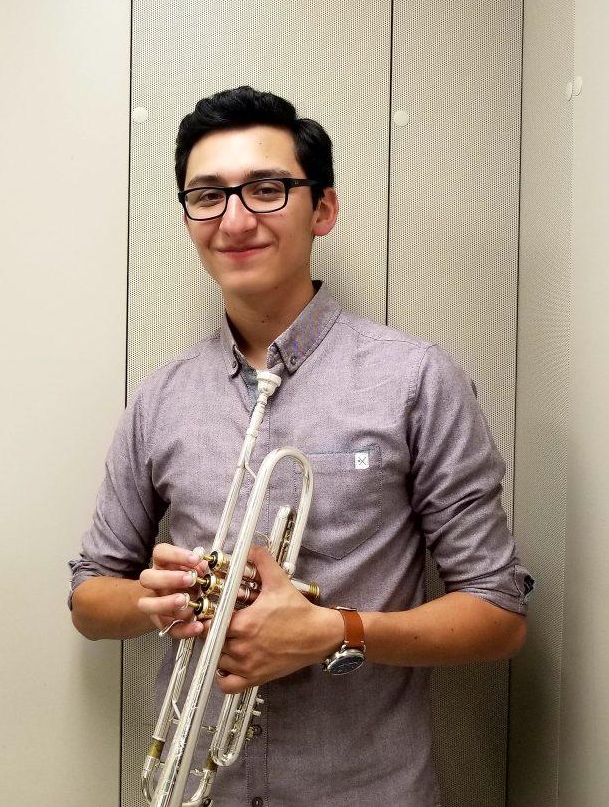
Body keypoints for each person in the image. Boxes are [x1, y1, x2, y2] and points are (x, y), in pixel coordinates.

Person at [69, 86, 534, 806]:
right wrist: (151, 601)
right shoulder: (161, 399)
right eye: (208, 195)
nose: (234, 218)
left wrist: (334, 631)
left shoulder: (414, 380)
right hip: (200, 792)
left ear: (323, 208)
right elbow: (89, 598)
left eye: (265, 189)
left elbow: (497, 615)